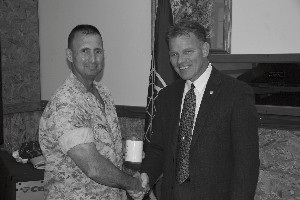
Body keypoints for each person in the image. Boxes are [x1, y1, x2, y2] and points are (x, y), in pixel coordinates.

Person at [139, 20, 260, 200]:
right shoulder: (167, 97)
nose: (180, 61)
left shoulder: (236, 94)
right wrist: (145, 179)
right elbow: (158, 149)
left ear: (204, 50)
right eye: (174, 54)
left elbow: (246, 165)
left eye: (188, 51)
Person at [39, 24, 146, 200]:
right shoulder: (67, 101)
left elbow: (107, 149)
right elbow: (93, 167)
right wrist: (133, 184)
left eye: (98, 51)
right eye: (84, 51)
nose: (93, 58)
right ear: (69, 55)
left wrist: (130, 166)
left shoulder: (103, 93)